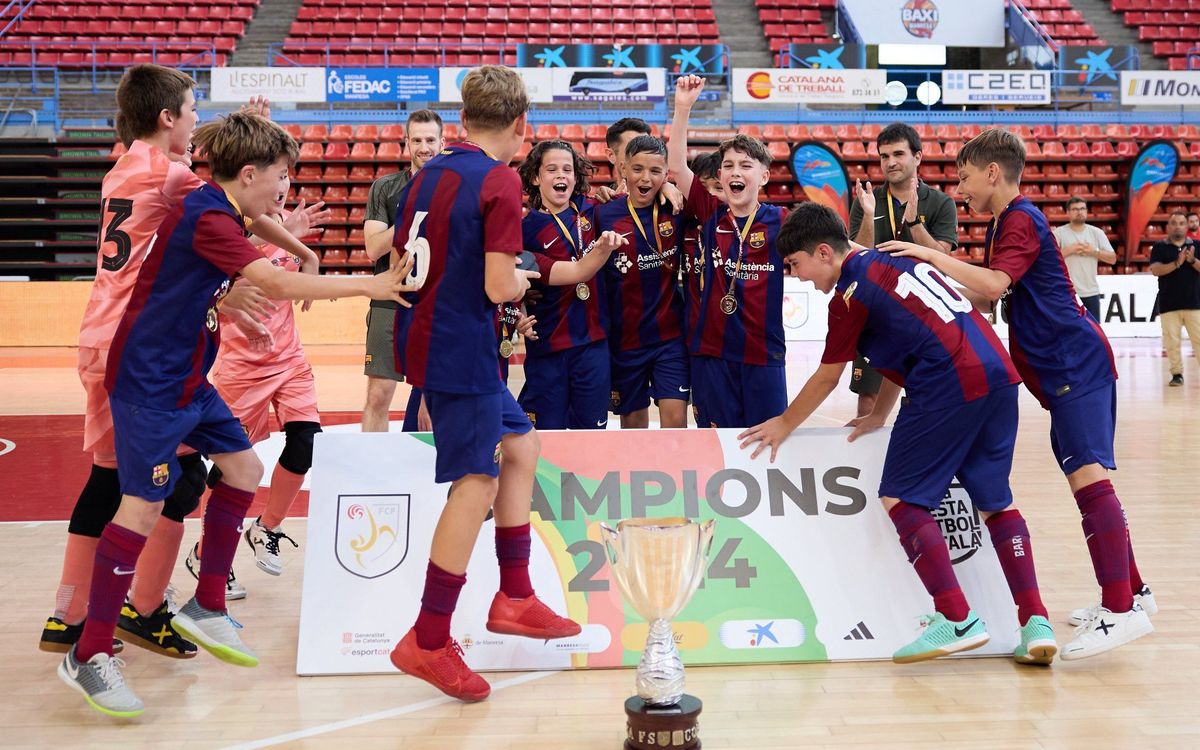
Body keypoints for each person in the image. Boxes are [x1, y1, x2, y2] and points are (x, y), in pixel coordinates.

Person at [57, 111, 408, 717]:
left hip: (188, 376)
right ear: (248, 174)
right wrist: (370, 286)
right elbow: (275, 283)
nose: (283, 190)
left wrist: (290, 238)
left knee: (244, 470)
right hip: (149, 384)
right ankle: (87, 653)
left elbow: (257, 227)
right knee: (139, 507)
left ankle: (207, 604)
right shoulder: (208, 215)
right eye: (279, 177)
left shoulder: (215, 202)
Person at [40, 65, 316, 659]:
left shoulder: (123, 166)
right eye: (192, 111)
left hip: (110, 332)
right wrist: (293, 242)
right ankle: (135, 610)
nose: (196, 123)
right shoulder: (171, 175)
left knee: (117, 480)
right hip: (136, 347)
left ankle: (75, 611)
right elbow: (233, 197)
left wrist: (256, 137)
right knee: (169, 484)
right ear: (168, 119)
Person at [877, 127, 1156, 661]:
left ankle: (1120, 608)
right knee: (1086, 475)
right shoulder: (1008, 222)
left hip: (1074, 363)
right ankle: (1135, 594)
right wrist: (925, 263)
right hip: (1061, 370)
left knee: (1087, 476)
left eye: (963, 178)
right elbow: (981, 296)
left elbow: (992, 287)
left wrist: (925, 253)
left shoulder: (1022, 218)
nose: (960, 189)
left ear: (992, 172)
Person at [738, 202, 1057, 666]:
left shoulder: (849, 294)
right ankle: (1035, 621)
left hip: (949, 382)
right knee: (995, 502)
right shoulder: (893, 258)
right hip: (998, 374)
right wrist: (879, 413)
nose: (798, 276)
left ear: (823, 252)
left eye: (796, 265)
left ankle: (956, 617)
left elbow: (828, 376)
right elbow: (905, 343)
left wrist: (784, 424)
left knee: (901, 498)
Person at [387, 66, 584, 704]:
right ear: (522, 127)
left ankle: (516, 595)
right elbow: (501, 285)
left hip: (426, 335)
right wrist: (528, 277)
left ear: (461, 121)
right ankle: (428, 636)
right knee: (476, 483)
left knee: (522, 447)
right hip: (460, 347)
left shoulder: (426, 173)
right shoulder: (497, 180)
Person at [667, 74, 788, 429]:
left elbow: (833, 247)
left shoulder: (781, 221)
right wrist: (682, 108)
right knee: (715, 448)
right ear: (720, 175)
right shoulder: (710, 211)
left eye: (746, 166)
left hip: (763, 355)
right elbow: (676, 167)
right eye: (729, 166)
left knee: (765, 448)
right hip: (711, 354)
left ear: (764, 176)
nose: (736, 172)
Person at [847, 123, 959, 417]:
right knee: (868, 399)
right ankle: (869, 463)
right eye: (884, 156)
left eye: (898, 154)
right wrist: (869, 217)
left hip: (924, 313)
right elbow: (856, 254)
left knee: (925, 397)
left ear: (918, 157)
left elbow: (942, 259)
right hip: (875, 311)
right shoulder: (868, 199)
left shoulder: (941, 203)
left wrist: (914, 224)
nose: (890, 162)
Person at [517, 140, 626, 429]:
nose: (561, 175)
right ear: (536, 177)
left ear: (576, 177)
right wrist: (519, 309)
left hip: (592, 344)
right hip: (548, 345)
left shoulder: (594, 210)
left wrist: (668, 185)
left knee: (591, 433)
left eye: (568, 169)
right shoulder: (524, 230)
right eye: (551, 169)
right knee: (547, 435)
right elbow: (515, 278)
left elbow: (637, 203)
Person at [593, 135, 689, 429]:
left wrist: (672, 187)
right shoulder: (602, 213)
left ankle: (677, 474)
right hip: (625, 342)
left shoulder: (676, 210)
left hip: (670, 340)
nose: (645, 178)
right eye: (637, 169)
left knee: (676, 424)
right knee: (633, 430)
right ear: (622, 169)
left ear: (665, 174)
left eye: (655, 171)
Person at [361, 109, 445, 432]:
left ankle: (434, 479)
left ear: (442, 142)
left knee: (437, 402)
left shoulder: (454, 189)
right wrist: (411, 218)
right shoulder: (385, 188)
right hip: (390, 299)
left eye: (430, 140)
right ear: (406, 142)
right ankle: (371, 478)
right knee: (379, 396)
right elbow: (373, 248)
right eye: (418, 140)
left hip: (437, 302)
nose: (424, 147)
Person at [1149, 210, 1200, 387]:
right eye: (1174, 223)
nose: (1177, 226)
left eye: (1181, 223)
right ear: (1168, 227)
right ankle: (1177, 374)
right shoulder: (1159, 247)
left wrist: (1192, 261)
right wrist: (1177, 263)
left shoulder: (1197, 245)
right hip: (1168, 303)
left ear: (1187, 226)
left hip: (1195, 302)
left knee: (1199, 340)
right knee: (1172, 342)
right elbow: (1156, 270)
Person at [1053, 197, 1116, 322]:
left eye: (1082, 208)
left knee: (1094, 333)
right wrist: (1070, 250)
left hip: (1090, 292)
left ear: (1087, 211)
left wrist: (1094, 251)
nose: (1079, 212)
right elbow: (1049, 260)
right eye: (1075, 209)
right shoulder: (1059, 233)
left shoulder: (1096, 233)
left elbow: (1112, 259)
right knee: (1068, 332)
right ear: (1068, 212)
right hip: (1067, 293)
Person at [604, 117, 652, 191]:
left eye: (647, 149)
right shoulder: (603, 201)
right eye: (633, 149)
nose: (643, 156)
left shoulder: (668, 199)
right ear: (611, 155)